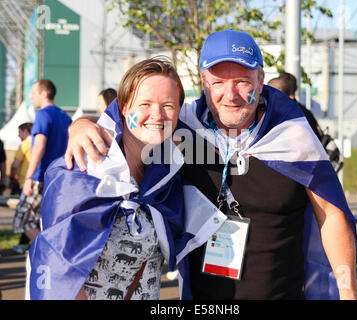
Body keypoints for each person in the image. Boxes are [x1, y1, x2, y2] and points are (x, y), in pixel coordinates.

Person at [64, 30, 357, 300]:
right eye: (218, 82)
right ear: (204, 83)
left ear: (261, 79)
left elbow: (331, 213)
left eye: (242, 81)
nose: (230, 95)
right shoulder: (184, 126)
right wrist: (78, 125)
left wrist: (348, 293)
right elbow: (130, 117)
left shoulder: (291, 135)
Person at [26, 57, 225, 300]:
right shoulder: (81, 169)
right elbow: (56, 268)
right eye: (144, 104)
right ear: (123, 107)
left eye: (168, 106)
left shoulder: (167, 176)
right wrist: (80, 124)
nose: (157, 114)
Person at [20, 79, 71, 242]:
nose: (31, 97)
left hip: (40, 177)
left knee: (24, 220)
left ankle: (48, 253)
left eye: (34, 93)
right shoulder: (65, 117)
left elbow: (39, 145)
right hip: (59, 178)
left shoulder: (43, 114)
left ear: (45, 93)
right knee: (49, 222)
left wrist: (28, 177)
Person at [11, 122, 33, 254]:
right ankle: (24, 243)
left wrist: (9, 175)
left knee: (24, 217)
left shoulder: (24, 144)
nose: (18, 135)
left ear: (25, 131)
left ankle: (27, 244)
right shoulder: (39, 141)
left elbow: (15, 163)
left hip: (25, 184)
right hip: (40, 183)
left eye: (20, 132)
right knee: (33, 217)